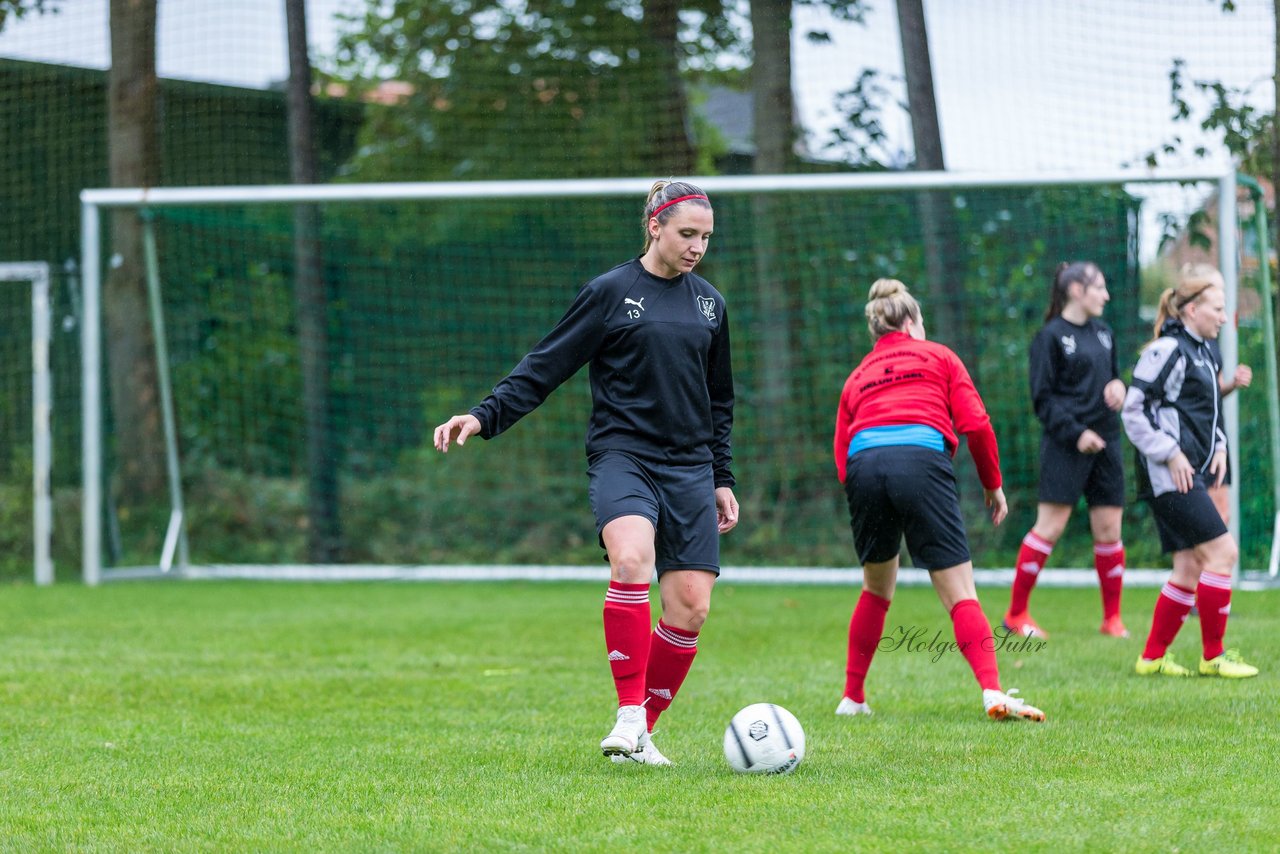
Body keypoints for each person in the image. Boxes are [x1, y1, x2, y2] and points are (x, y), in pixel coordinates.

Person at [433, 180, 740, 765]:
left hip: (691, 467)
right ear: (655, 226)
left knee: (691, 607)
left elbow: (719, 400)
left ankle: (641, 733)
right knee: (630, 560)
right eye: (686, 234)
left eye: (705, 237)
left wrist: (721, 477)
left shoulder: (710, 305)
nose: (697, 246)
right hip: (623, 455)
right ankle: (629, 714)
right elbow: (545, 365)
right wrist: (482, 415)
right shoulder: (610, 292)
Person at [833, 279, 1046, 722]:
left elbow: (841, 453)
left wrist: (865, 492)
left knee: (876, 587)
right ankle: (992, 691)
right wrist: (993, 483)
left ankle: (852, 698)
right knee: (959, 592)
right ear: (911, 323)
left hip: (864, 467)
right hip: (920, 461)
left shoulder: (857, 376)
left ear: (877, 333)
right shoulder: (940, 356)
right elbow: (978, 425)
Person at [1123, 263, 1258, 678]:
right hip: (1168, 475)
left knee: (1188, 566)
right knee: (1223, 552)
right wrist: (1171, 453)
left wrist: (1217, 445)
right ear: (1192, 309)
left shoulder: (1202, 350)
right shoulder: (1168, 350)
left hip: (1194, 470)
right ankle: (1213, 656)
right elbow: (1133, 410)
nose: (1223, 317)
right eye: (1217, 309)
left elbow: (1204, 409)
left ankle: (1152, 658)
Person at [1003, 262, 1129, 641]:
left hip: (1107, 443)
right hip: (1066, 445)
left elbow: (1116, 378)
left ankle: (1112, 619)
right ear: (1077, 290)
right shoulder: (1050, 337)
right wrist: (1077, 434)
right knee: (1051, 527)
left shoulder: (1105, 333)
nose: (1106, 296)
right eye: (1100, 288)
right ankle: (1015, 614)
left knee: (1109, 530)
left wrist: (1120, 388)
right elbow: (1042, 401)